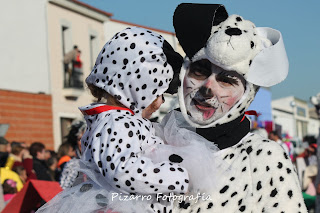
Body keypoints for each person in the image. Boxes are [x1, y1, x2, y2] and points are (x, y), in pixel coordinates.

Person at [156, 3, 306, 212]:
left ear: (247, 95)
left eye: (226, 80)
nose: (208, 87)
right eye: (199, 72)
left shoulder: (264, 157)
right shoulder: (151, 141)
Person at [37, 27, 191, 213]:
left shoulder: (120, 120)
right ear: (136, 85)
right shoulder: (116, 123)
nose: (160, 103)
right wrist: (176, 178)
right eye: (157, 93)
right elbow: (122, 170)